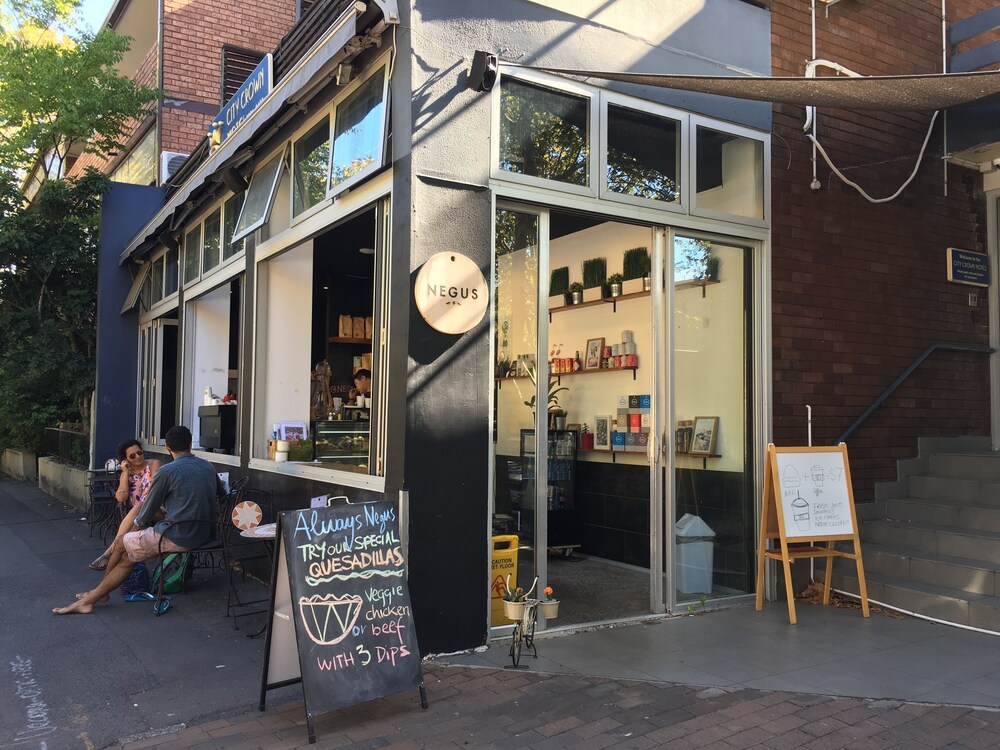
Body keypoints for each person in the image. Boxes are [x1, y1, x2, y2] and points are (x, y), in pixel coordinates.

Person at [54, 425, 224, 615]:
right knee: (127, 553)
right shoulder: (208, 467)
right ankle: (96, 595)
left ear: (167, 447)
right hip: (206, 533)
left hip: (179, 535)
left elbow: (147, 509)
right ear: (191, 444)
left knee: (121, 544)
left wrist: (135, 530)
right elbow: (222, 496)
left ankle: (94, 597)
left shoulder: (167, 471)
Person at [88, 439, 162, 570]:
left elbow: (156, 491)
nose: (138, 457)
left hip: (157, 509)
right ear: (126, 459)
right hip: (139, 517)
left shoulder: (153, 464)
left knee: (139, 507)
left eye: (139, 452)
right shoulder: (127, 474)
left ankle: (109, 552)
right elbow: (121, 498)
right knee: (136, 515)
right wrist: (126, 472)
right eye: (132, 456)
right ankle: (112, 566)